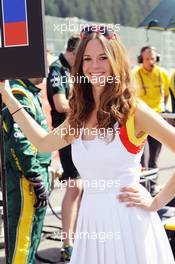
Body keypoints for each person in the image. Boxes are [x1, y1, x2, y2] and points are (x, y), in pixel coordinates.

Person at [1, 25, 175, 263]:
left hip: (129, 222)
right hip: (90, 222)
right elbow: (42, 142)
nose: (95, 66)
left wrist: (157, 202)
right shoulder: (79, 115)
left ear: (117, 60)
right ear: (80, 65)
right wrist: (8, 97)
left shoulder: (133, 111)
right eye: (88, 59)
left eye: (103, 57)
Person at [1, 78, 51, 264]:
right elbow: (19, 142)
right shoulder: (19, 93)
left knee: (31, 238)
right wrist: (35, 177)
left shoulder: (28, 91)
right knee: (23, 243)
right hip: (25, 178)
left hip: (35, 173)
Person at [47, 35, 83, 262]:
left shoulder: (76, 69)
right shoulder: (57, 68)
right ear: (74, 51)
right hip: (66, 135)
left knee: (84, 188)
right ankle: (68, 243)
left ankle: (79, 239)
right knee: (74, 188)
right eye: (83, 55)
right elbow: (60, 104)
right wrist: (87, 109)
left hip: (83, 134)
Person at [133, 46, 170, 170]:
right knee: (140, 156)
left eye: (153, 58)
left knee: (154, 156)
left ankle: (152, 187)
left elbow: (166, 95)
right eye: (147, 59)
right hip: (140, 118)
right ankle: (141, 184)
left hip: (157, 116)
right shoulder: (135, 74)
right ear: (140, 59)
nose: (150, 62)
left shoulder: (163, 73)